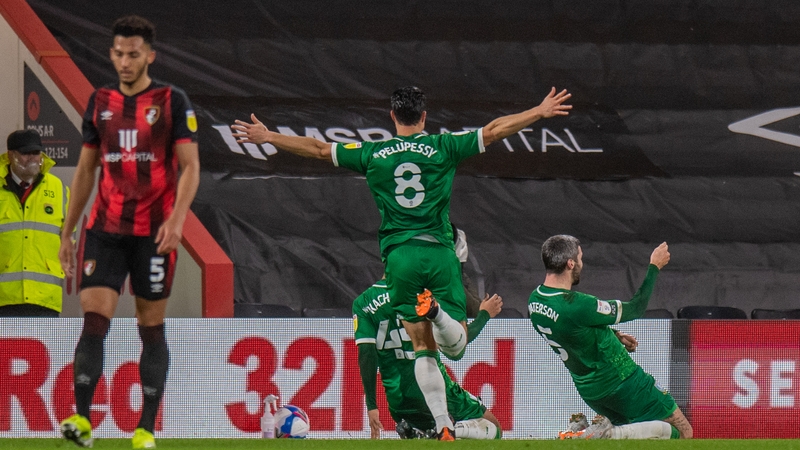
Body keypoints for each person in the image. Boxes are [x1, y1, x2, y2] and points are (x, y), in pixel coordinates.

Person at [232, 85, 571, 440]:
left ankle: (443, 427)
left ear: (392, 116)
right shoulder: (443, 147)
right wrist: (538, 111)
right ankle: (438, 316)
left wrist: (268, 135)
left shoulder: (373, 153)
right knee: (455, 348)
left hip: (400, 258)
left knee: (422, 346)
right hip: (439, 253)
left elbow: (317, 149)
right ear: (424, 116)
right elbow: (494, 130)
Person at [57, 15, 200, 449]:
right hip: (104, 227)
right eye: (118, 53)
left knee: (149, 327)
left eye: (133, 54)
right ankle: (82, 422)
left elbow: (191, 167)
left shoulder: (172, 101)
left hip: (154, 232)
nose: (124, 61)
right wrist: (68, 232)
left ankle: (146, 428)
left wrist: (177, 220)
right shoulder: (99, 101)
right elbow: (85, 170)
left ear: (149, 56)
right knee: (94, 321)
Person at [528, 235, 693, 439]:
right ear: (570, 263)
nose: (582, 263)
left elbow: (572, 332)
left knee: (639, 438)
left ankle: (586, 432)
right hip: (622, 380)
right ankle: (609, 434)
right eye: (580, 258)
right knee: (683, 432)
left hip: (590, 391)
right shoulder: (577, 303)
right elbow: (635, 309)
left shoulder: (535, 301)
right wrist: (654, 266)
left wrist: (613, 335)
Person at [352, 277, 503, 440]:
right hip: (435, 389)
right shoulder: (422, 296)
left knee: (442, 442)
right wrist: (484, 315)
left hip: (398, 401)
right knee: (493, 427)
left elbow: (366, 355)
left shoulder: (363, 303)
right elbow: (457, 341)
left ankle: (421, 435)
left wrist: (372, 406)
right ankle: (449, 430)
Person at [0, 130, 69, 317]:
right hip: (4, 299)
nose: (32, 158)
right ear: (11, 155)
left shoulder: (58, 189)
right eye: (25, 153)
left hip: (45, 299)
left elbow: (69, 237)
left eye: (36, 152)